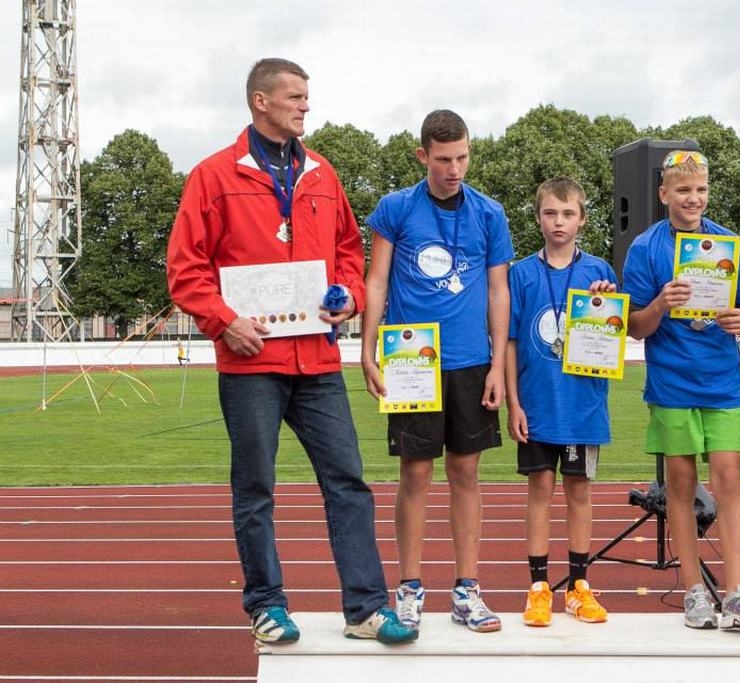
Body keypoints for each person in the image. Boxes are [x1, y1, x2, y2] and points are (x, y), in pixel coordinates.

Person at [166, 58, 415, 646]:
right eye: (296, 97)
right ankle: (266, 606)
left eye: (307, 97)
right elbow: (185, 270)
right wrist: (225, 322)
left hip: (318, 362)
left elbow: (350, 254)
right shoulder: (212, 176)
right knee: (256, 488)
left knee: (348, 482)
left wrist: (348, 297)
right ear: (261, 101)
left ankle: (365, 608)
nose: (306, 106)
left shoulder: (323, 175)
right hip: (251, 364)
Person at [361, 110, 514, 633]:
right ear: (423, 155)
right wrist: (366, 348)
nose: (455, 169)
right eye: (444, 159)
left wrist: (497, 364)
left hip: (470, 361)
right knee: (417, 473)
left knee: (466, 472)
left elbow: (498, 290)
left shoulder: (490, 213)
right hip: (410, 359)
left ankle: (468, 590)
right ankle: (408, 588)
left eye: (463, 157)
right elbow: (376, 282)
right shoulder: (395, 208)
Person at [622, 146, 740, 630]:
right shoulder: (646, 248)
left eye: (701, 190)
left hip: (722, 382)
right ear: (664, 193)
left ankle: (736, 593)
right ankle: (693, 593)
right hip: (671, 386)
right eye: (684, 190)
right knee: (682, 490)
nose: (694, 199)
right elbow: (635, 327)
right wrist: (661, 304)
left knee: (729, 481)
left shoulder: (730, 244)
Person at [506, 177, 616, 627]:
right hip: (536, 404)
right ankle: (538, 588)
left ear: (582, 219)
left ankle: (578, 587)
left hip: (582, 405)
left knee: (579, 492)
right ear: (538, 217)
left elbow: (613, 332)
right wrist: (513, 403)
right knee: (538, 491)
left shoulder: (599, 271)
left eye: (568, 214)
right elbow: (511, 341)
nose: (559, 222)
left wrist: (609, 306)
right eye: (550, 213)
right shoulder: (521, 273)